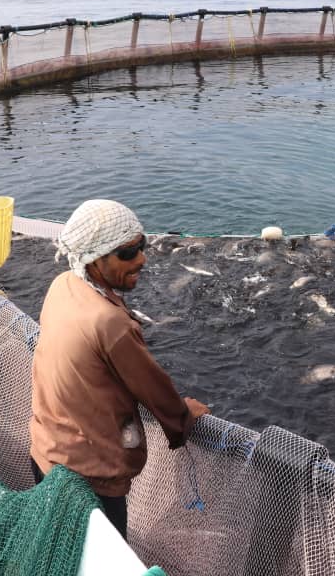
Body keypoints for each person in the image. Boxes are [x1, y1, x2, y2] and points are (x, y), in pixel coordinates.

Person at [30, 199, 210, 539]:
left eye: (141, 246)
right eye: (127, 253)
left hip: (45, 458)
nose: (142, 259)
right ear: (95, 258)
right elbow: (156, 391)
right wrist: (184, 417)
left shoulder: (63, 286)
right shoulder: (110, 322)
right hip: (89, 486)